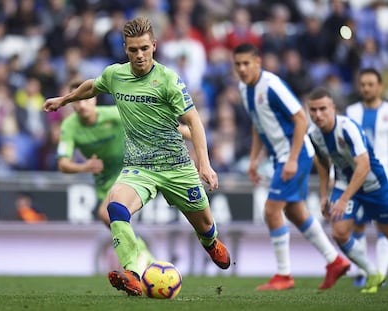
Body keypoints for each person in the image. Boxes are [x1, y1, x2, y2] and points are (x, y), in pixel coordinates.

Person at [43, 16, 231, 296]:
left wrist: (204, 163)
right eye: (133, 50)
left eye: (144, 48)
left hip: (176, 167)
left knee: (204, 225)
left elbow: (194, 122)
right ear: (125, 49)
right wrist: (64, 100)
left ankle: (211, 241)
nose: (139, 55)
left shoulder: (168, 80)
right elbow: (92, 86)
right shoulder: (116, 75)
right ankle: (132, 271)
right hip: (139, 168)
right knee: (115, 206)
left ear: (154, 46)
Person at [232, 43, 349, 291]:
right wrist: (254, 159)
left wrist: (293, 159)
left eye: (246, 63)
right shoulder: (244, 89)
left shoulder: (271, 85)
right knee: (296, 213)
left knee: (271, 210)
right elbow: (258, 124)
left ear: (258, 63)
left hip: (295, 154)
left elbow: (300, 118)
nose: (242, 69)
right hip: (279, 157)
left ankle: (284, 275)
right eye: (237, 64)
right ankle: (335, 260)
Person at [56, 80, 157, 271]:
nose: (82, 104)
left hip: (129, 170)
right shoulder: (69, 126)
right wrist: (84, 166)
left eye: (85, 99)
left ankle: (135, 264)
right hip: (104, 181)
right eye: (77, 100)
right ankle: (143, 257)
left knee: (106, 213)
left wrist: (183, 130)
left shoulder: (113, 115)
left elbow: (144, 121)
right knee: (112, 220)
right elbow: (62, 164)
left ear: (94, 99)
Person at [307, 86, 388, 294]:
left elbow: (364, 165)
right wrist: (324, 194)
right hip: (345, 182)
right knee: (340, 232)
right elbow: (323, 163)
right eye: (313, 110)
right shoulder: (314, 134)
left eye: (322, 109)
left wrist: (343, 199)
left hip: (373, 184)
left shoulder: (347, 127)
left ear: (333, 108)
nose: (318, 115)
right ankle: (372, 273)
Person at [345, 68, 388, 287]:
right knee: (357, 226)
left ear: (379, 86)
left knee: (384, 225)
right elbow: (342, 147)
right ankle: (362, 273)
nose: (367, 88)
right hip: (358, 178)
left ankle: (381, 273)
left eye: (371, 84)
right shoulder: (351, 112)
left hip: (383, 178)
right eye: (363, 84)